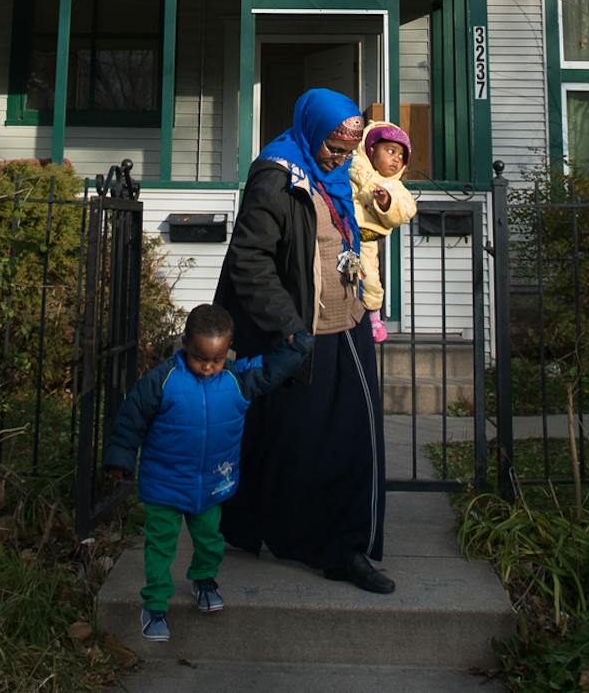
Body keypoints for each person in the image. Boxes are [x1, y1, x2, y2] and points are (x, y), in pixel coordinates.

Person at [214, 87, 394, 593]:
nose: (339, 157)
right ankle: (283, 532)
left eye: (348, 149)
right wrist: (288, 324)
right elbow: (249, 260)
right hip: (300, 332)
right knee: (293, 440)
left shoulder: (335, 178)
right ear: (310, 130)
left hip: (344, 321)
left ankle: (343, 549)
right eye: (332, 148)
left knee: (349, 439)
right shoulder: (277, 177)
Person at [103, 303, 312, 643]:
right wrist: (120, 460)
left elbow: (273, 368)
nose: (207, 367)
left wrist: (299, 344)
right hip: (164, 485)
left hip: (212, 484)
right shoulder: (161, 380)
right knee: (160, 546)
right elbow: (130, 419)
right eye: (200, 358)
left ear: (227, 351)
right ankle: (155, 605)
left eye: (216, 360)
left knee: (210, 541)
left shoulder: (236, 379)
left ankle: (203, 579)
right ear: (185, 343)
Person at [349, 122, 419, 343]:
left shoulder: (394, 187)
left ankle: (373, 316)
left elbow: (406, 210)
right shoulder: (352, 169)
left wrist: (386, 201)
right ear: (371, 151)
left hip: (367, 241)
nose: (396, 159)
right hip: (342, 236)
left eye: (401, 156)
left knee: (370, 278)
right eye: (390, 151)